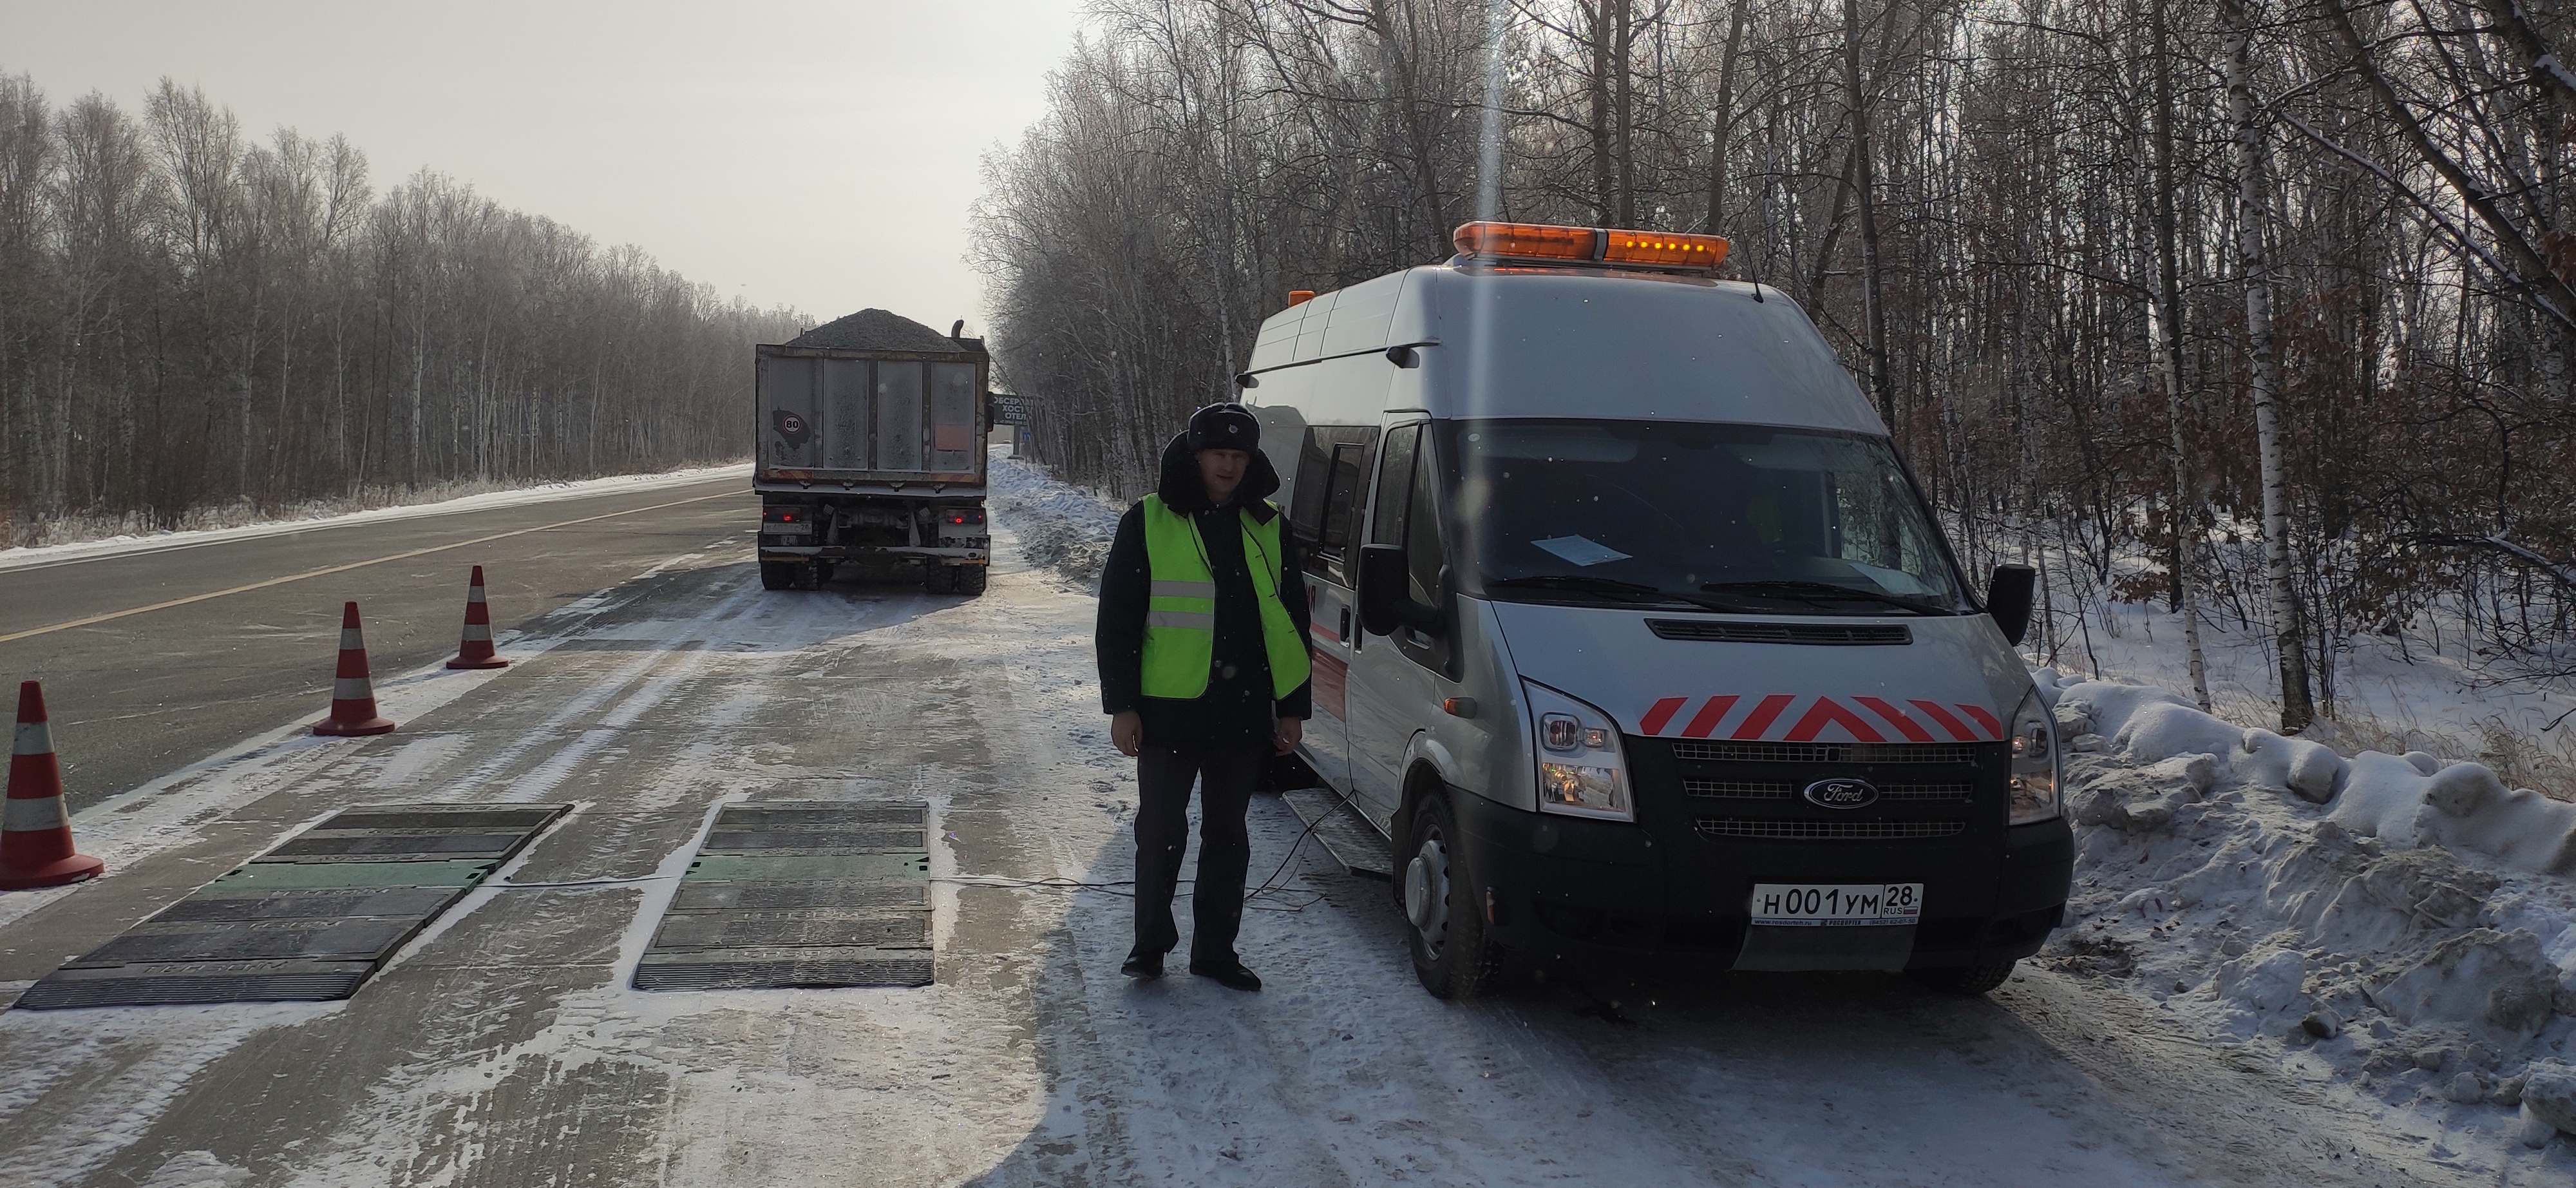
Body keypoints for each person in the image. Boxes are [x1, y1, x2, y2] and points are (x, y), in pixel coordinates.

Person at [1095, 402, 1313, 992]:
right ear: (1196, 457)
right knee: (1161, 831)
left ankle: (1215, 952)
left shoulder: (1269, 525)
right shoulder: (1148, 520)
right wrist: (1122, 704)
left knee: (1228, 836)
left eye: (1239, 456)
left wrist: (1292, 707)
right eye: (1219, 454)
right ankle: (1150, 947)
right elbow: (1118, 617)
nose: (1229, 465)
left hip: (1242, 709)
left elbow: (1291, 621)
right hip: (1168, 708)